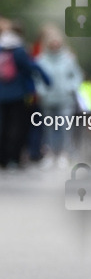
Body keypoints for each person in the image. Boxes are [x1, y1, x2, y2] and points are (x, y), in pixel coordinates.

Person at [0, 20, 50, 169]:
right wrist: (45, 81)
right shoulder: (19, 50)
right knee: (17, 127)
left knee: (2, 126)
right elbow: (29, 69)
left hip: (1, 94)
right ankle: (13, 158)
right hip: (18, 94)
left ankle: (2, 158)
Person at [35, 27, 84, 168]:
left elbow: (77, 76)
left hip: (65, 99)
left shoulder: (68, 59)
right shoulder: (41, 60)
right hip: (48, 99)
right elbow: (37, 78)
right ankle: (49, 153)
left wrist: (70, 88)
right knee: (48, 127)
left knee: (64, 127)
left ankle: (63, 153)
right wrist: (41, 91)